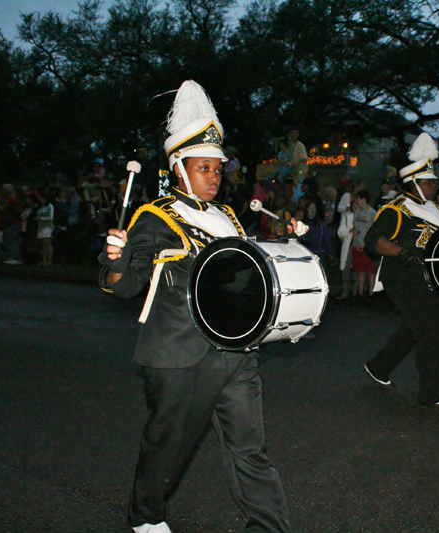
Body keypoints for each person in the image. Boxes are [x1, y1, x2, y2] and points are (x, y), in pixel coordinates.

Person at [99, 80, 292, 533]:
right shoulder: (154, 216)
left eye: (216, 168)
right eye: (202, 167)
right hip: (177, 354)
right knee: (169, 445)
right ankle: (145, 517)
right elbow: (124, 288)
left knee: (249, 447)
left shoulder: (226, 216)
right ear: (178, 169)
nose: (213, 175)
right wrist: (115, 262)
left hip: (235, 350)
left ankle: (268, 526)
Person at [363, 133, 439, 409]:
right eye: (429, 182)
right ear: (414, 182)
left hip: (428, 278)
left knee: (418, 327)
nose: (434, 186)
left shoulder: (435, 209)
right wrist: (403, 252)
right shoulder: (397, 210)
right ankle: (433, 392)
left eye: (434, 182)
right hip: (401, 277)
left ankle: (379, 366)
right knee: (428, 330)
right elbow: (373, 240)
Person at [351, 189, 377, 299]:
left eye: (358, 198)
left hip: (368, 246)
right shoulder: (356, 212)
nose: (356, 201)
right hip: (357, 244)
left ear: (364, 199)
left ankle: (371, 292)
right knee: (360, 270)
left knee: (370, 270)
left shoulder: (372, 213)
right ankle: (360, 293)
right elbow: (355, 227)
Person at [35, 189, 54, 266]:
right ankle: (44, 260)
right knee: (43, 244)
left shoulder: (50, 206)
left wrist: (40, 218)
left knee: (47, 243)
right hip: (40, 227)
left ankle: (49, 260)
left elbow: (50, 217)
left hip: (47, 227)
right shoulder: (41, 207)